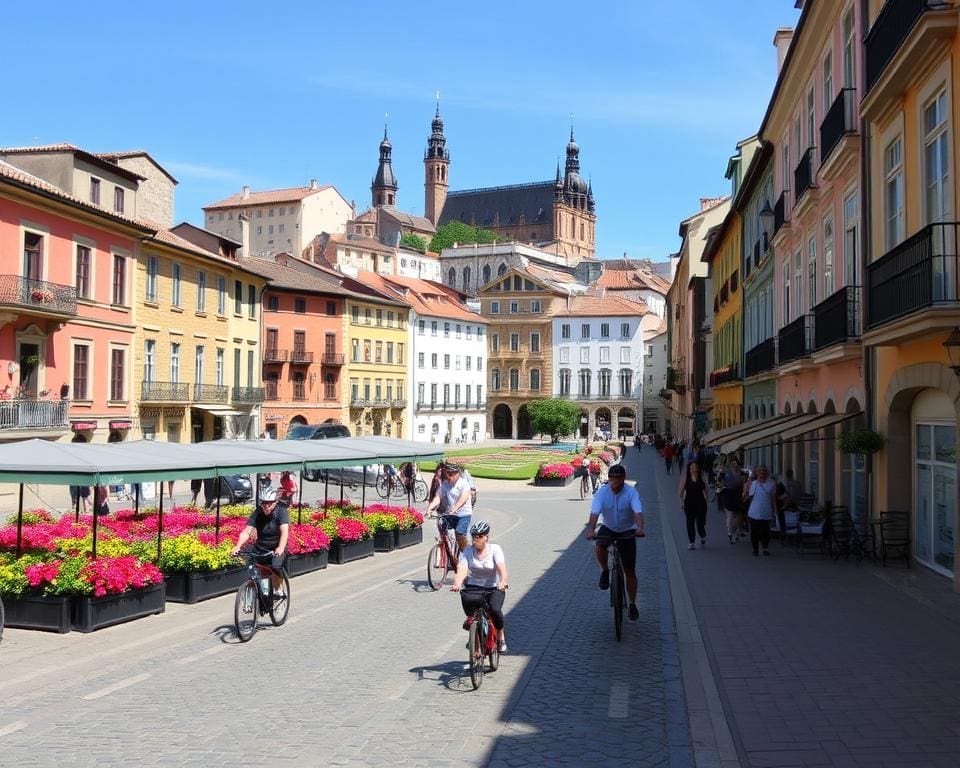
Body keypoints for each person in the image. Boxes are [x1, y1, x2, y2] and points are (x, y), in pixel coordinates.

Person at [585, 463, 645, 621]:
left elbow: (638, 511)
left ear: (624, 479)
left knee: (630, 571)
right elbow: (595, 512)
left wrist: (639, 528)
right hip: (609, 527)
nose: (615, 481)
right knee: (600, 545)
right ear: (609, 479)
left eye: (618, 478)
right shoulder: (602, 493)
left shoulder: (631, 493)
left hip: (627, 529)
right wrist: (591, 529)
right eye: (612, 478)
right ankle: (604, 571)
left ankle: (632, 604)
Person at [451, 519, 509, 653]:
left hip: (494, 588)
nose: (476, 539)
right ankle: (475, 644)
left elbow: (502, 569)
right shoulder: (468, 551)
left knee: (495, 610)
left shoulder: (495, 549)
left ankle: (500, 637)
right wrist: (457, 583)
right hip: (474, 588)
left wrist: (503, 581)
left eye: (479, 536)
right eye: (474, 536)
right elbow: (462, 569)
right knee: (472, 616)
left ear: (486, 537)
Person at [231, 486, 289, 593]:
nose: (266, 506)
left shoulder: (281, 512)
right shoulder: (258, 512)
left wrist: (280, 548)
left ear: (275, 503)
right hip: (261, 546)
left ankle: (278, 590)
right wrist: (238, 546)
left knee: (275, 566)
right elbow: (247, 531)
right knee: (254, 565)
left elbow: (285, 532)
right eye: (264, 503)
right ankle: (262, 593)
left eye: (269, 503)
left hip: (276, 546)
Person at [426, 462, 473, 553]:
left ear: (458, 473)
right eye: (448, 474)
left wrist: (455, 508)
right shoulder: (446, 484)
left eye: (452, 474)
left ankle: (465, 555)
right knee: (442, 528)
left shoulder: (464, 484)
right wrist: (430, 508)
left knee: (459, 533)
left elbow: (463, 499)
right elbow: (438, 497)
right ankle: (447, 552)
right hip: (451, 513)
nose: (449, 477)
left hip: (463, 514)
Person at [743, 465, 777, 557]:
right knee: (754, 532)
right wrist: (749, 479)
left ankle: (765, 548)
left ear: (767, 473)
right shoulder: (752, 483)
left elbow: (773, 499)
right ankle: (755, 549)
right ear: (757, 473)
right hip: (754, 512)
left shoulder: (771, 484)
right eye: (760, 472)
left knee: (766, 532)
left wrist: (775, 512)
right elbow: (745, 493)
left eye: (764, 472)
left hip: (766, 512)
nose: (762, 473)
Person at [679, 460, 709, 550]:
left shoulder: (702, 477)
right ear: (689, 469)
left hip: (701, 504)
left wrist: (707, 498)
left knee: (700, 523)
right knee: (690, 523)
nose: (693, 468)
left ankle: (702, 535)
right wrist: (681, 503)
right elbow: (680, 492)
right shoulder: (685, 479)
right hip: (689, 504)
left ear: (698, 468)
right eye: (691, 466)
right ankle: (691, 542)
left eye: (695, 466)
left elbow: (706, 489)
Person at [720, 458, 746, 543]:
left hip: (738, 496)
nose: (735, 465)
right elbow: (720, 483)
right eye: (733, 464)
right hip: (729, 496)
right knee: (730, 516)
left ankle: (736, 532)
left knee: (738, 517)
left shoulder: (742, 473)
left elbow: (745, 483)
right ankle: (730, 532)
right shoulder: (725, 473)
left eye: (736, 464)